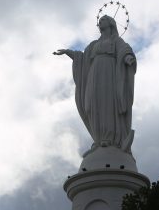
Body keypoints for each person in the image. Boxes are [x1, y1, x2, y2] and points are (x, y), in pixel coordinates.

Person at [54, 15, 137, 154]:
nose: (100, 22)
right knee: (91, 105)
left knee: (107, 103)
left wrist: (128, 58)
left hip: (109, 73)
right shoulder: (93, 44)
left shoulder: (116, 40)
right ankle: (98, 139)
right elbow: (83, 57)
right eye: (100, 21)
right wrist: (69, 52)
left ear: (111, 23)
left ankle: (109, 139)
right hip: (94, 74)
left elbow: (124, 50)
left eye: (103, 20)